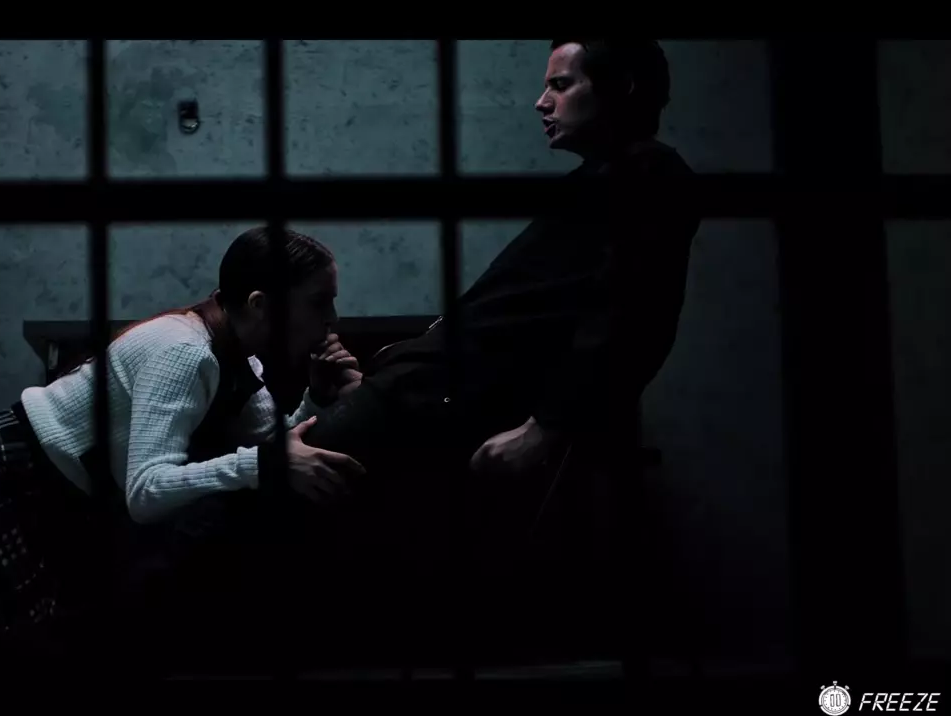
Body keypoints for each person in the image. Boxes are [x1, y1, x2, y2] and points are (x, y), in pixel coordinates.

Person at [164, 39, 704, 666]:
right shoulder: (600, 181)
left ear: (623, 87)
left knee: (240, 509)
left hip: (433, 402)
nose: (541, 102)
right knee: (255, 507)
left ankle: (154, 647)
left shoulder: (649, 176)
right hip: (416, 393)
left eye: (561, 85)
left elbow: (631, 320)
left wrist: (546, 428)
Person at [0, 226, 366, 679]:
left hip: (67, 490)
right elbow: (147, 491)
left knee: (48, 649)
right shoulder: (185, 352)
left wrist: (317, 399)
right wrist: (263, 463)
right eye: (319, 301)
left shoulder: (241, 363)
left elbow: (270, 448)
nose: (332, 319)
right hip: (9, 472)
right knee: (37, 649)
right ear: (260, 305)